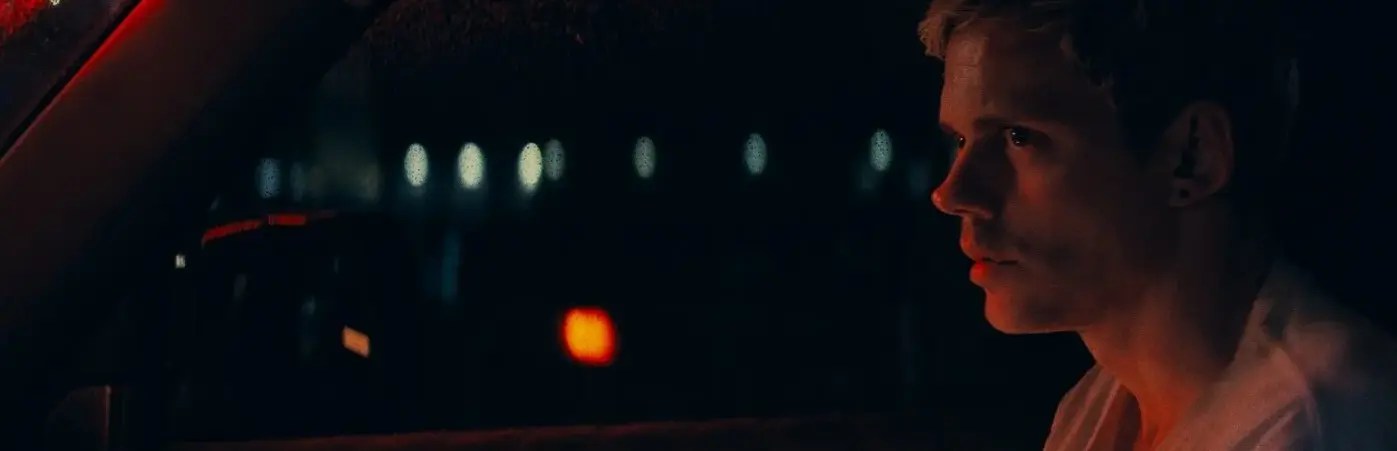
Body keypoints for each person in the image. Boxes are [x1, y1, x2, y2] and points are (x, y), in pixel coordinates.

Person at [919, 0, 1397, 449]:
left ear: (1192, 156)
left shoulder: (1322, 423)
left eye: (1018, 136)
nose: (951, 193)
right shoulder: (1098, 409)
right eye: (959, 141)